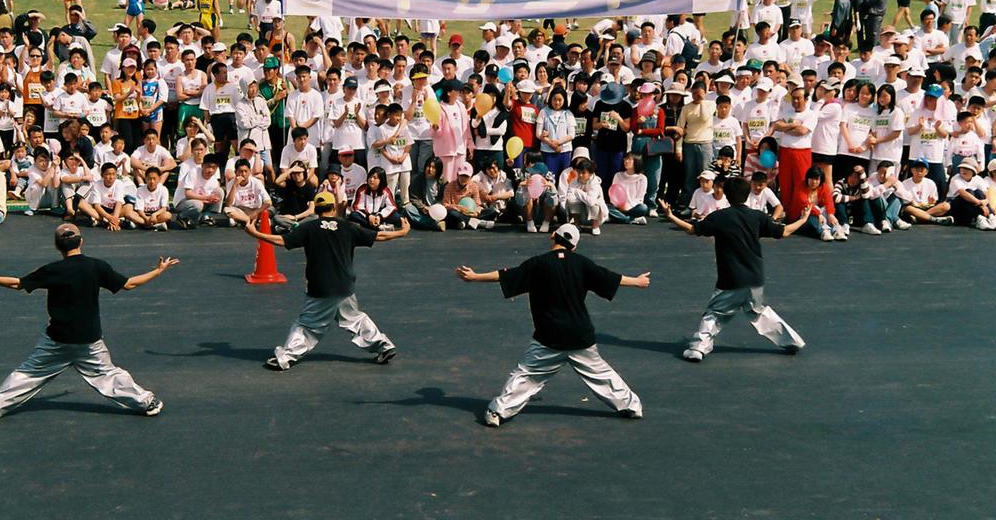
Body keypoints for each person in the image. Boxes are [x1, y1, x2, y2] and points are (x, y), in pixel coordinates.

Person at [0, 223, 175, 421]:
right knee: (108, 374)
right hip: (89, 340)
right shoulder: (96, 267)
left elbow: (18, 284)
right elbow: (129, 284)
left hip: (56, 339)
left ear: (57, 246)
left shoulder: (52, 270)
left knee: (28, 373)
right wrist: (158, 271)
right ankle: (147, 403)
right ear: (81, 242)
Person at [455, 223, 650, 427]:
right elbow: (610, 277)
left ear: (553, 236)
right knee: (602, 375)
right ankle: (633, 406)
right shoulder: (582, 263)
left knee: (525, 376)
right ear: (573, 246)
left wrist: (475, 277)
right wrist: (637, 281)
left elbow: (505, 275)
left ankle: (498, 412)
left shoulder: (538, 264)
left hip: (549, 337)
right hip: (580, 336)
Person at [243, 191, 409, 371]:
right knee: (354, 318)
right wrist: (403, 232)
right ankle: (383, 345)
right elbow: (379, 236)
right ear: (334, 207)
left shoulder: (309, 228)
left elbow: (282, 240)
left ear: (317, 209)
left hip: (320, 287)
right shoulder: (348, 227)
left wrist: (256, 234)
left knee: (307, 326)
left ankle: (285, 358)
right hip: (345, 286)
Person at [659, 176, 809, 363]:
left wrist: (671, 215)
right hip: (755, 279)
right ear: (746, 195)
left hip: (730, 279)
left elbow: (691, 229)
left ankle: (698, 347)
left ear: (727, 197)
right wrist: (803, 220)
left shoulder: (719, 217)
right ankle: (791, 340)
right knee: (759, 312)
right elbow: (784, 231)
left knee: (714, 313)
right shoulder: (757, 216)